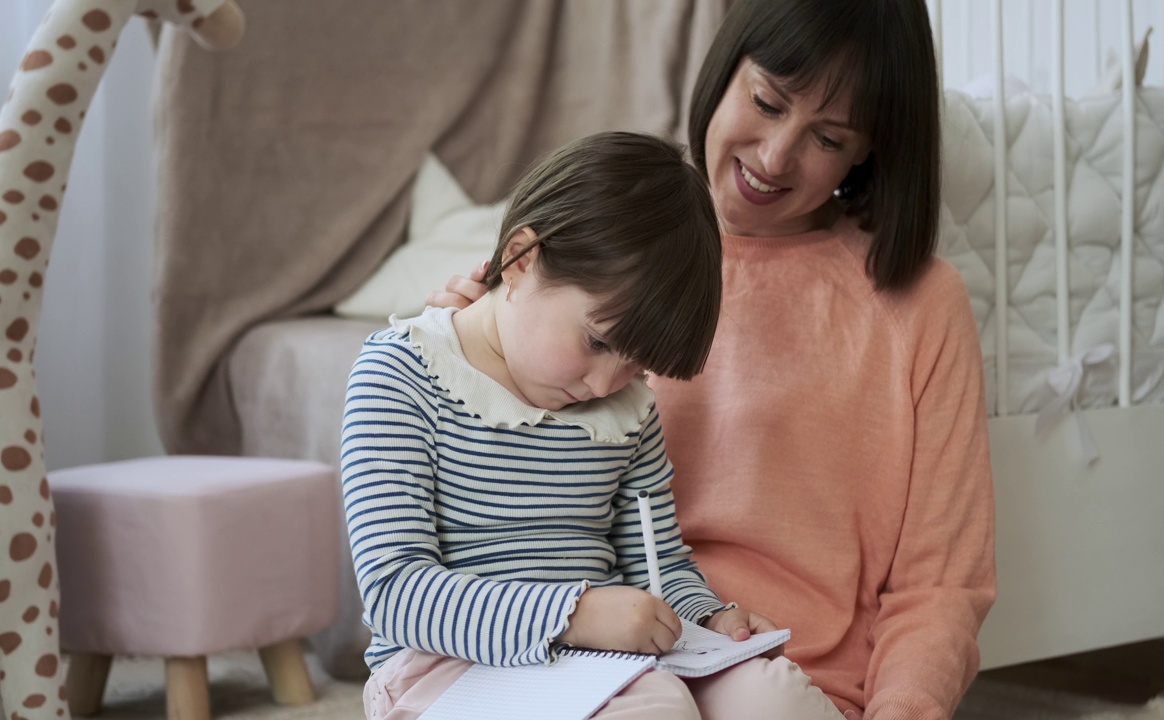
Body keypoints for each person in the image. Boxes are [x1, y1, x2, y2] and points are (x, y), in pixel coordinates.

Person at [425, 1, 997, 718]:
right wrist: (476, 348)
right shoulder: (607, 249)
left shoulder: (920, 304)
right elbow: (481, 520)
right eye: (766, 101)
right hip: (592, 658)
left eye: (827, 137)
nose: (775, 156)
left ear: (869, 151)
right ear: (723, 69)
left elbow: (939, 584)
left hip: (789, 677)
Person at [343, 131, 845, 720]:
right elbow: (394, 593)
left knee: (775, 698)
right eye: (598, 341)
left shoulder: (626, 408)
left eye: (635, 362)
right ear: (523, 258)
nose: (608, 384)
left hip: (602, 656)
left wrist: (710, 615)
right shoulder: (401, 373)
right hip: (445, 665)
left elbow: (657, 562)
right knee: (654, 710)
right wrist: (574, 616)